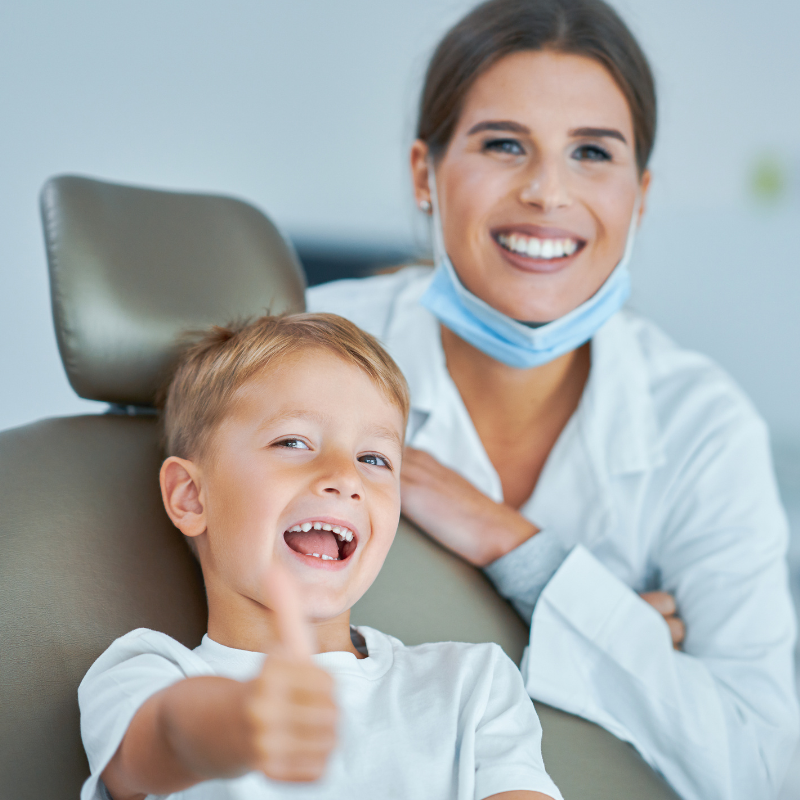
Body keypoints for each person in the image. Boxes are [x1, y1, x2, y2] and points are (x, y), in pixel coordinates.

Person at [306, 1, 800, 798]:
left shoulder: (703, 424)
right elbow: (237, 618)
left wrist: (517, 550)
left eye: (591, 154)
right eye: (504, 144)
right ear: (423, 175)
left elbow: (761, 767)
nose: (546, 191)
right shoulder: (307, 355)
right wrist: (616, 635)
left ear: (638, 195)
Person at [77, 313, 562, 800]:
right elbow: (164, 739)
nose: (345, 477)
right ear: (191, 497)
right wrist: (239, 721)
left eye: (373, 459)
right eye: (293, 442)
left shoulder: (470, 684)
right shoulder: (146, 674)